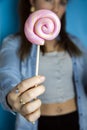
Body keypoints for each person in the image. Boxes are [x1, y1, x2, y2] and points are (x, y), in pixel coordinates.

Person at [0, 0, 87, 130]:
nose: (56, 8)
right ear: (32, 1)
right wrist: (12, 98)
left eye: (62, 2)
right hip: (39, 123)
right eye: (49, 0)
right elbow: (7, 77)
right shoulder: (13, 43)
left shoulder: (76, 43)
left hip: (77, 120)